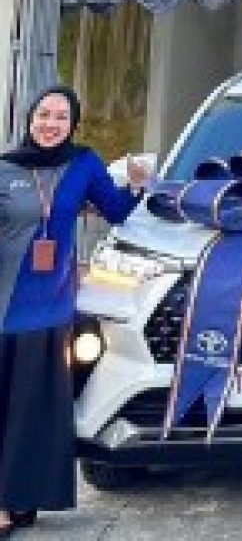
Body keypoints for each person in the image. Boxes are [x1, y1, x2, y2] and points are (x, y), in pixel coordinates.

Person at [0, 85, 148, 537]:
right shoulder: (6, 168)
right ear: (30, 119)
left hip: (49, 310)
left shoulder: (84, 164)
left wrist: (138, 185)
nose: (50, 124)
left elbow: (117, 211)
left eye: (61, 117)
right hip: (3, 306)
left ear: (73, 125)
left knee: (31, 413)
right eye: (43, 114)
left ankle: (15, 501)